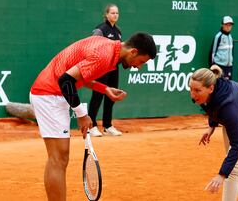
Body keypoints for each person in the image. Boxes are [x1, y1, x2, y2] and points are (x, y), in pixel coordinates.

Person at [29, 32, 156, 201]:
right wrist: (82, 115)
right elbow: (65, 80)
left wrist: (104, 89)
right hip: (49, 94)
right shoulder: (104, 55)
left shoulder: (109, 48)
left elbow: (78, 74)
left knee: (58, 158)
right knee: (58, 159)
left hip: (55, 94)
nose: (138, 67)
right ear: (133, 52)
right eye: (141, 62)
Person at [189, 65, 238, 201]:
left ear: (211, 88)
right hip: (237, 115)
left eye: (197, 90)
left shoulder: (227, 106)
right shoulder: (205, 94)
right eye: (191, 89)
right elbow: (211, 105)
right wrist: (211, 126)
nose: (193, 94)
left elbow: (237, 144)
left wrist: (221, 174)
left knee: (232, 170)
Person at [88, 4, 123, 137]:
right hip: (101, 68)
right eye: (112, 13)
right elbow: (92, 46)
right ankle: (92, 126)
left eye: (117, 13)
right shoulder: (100, 29)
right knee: (97, 95)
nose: (115, 15)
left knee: (111, 95)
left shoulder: (118, 31)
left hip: (114, 68)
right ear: (107, 15)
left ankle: (107, 126)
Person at [209, 16, 234, 80]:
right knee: (218, 85)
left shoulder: (230, 37)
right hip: (219, 66)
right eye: (226, 25)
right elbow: (212, 52)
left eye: (230, 25)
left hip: (229, 67)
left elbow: (231, 53)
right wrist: (212, 65)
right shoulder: (218, 36)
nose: (228, 27)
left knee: (228, 86)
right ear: (222, 25)